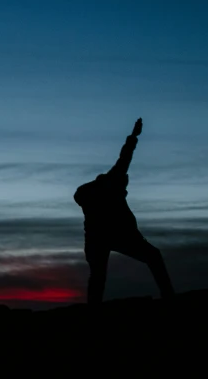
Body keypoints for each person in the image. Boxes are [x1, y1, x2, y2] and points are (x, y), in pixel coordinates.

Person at [74, 118, 175, 304]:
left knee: (98, 276)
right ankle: (168, 295)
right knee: (153, 257)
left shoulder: (94, 190)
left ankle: (93, 306)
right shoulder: (113, 180)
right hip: (112, 235)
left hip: (99, 237)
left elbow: (79, 197)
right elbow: (125, 156)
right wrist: (134, 135)